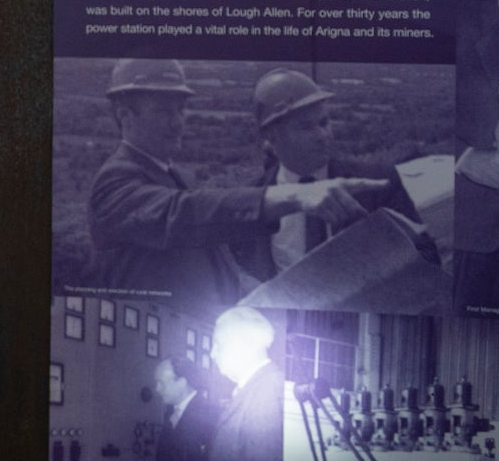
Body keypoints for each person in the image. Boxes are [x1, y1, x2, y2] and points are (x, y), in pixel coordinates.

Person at [84, 57, 387, 318]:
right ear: (125, 115)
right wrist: (293, 196)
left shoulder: (173, 177)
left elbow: (209, 247)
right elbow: (181, 214)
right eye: (163, 111)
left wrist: (256, 292)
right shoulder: (114, 183)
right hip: (147, 336)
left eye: (180, 110)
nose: (177, 123)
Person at [239, 67, 424, 281]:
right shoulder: (252, 202)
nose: (322, 135)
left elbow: (426, 258)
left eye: (324, 122)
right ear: (272, 135)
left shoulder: (377, 184)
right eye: (306, 127)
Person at [206, 306, 286, 461]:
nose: (212, 353)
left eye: (218, 344)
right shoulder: (257, 386)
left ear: (243, 344)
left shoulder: (267, 392)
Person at [154, 357, 221, 461]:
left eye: (161, 383)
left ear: (182, 383)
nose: (157, 389)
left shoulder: (210, 415)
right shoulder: (170, 413)